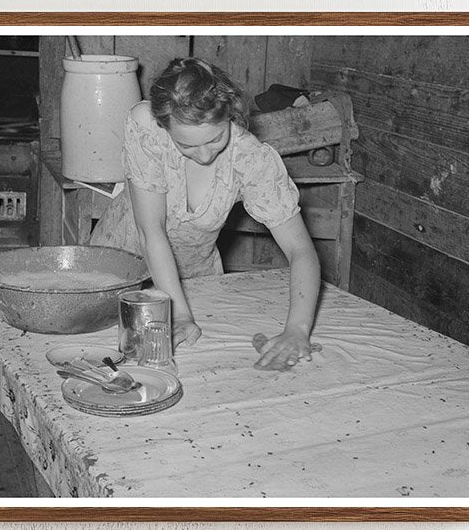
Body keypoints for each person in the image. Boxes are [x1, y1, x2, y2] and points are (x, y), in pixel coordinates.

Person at [89, 57, 321, 371]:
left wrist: (296, 329)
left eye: (215, 139)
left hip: (194, 277)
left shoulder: (251, 160)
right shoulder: (147, 126)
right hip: (119, 264)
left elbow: (300, 249)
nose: (204, 155)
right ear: (164, 124)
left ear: (229, 115)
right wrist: (180, 314)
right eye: (186, 145)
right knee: (109, 364)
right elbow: (150, 230)